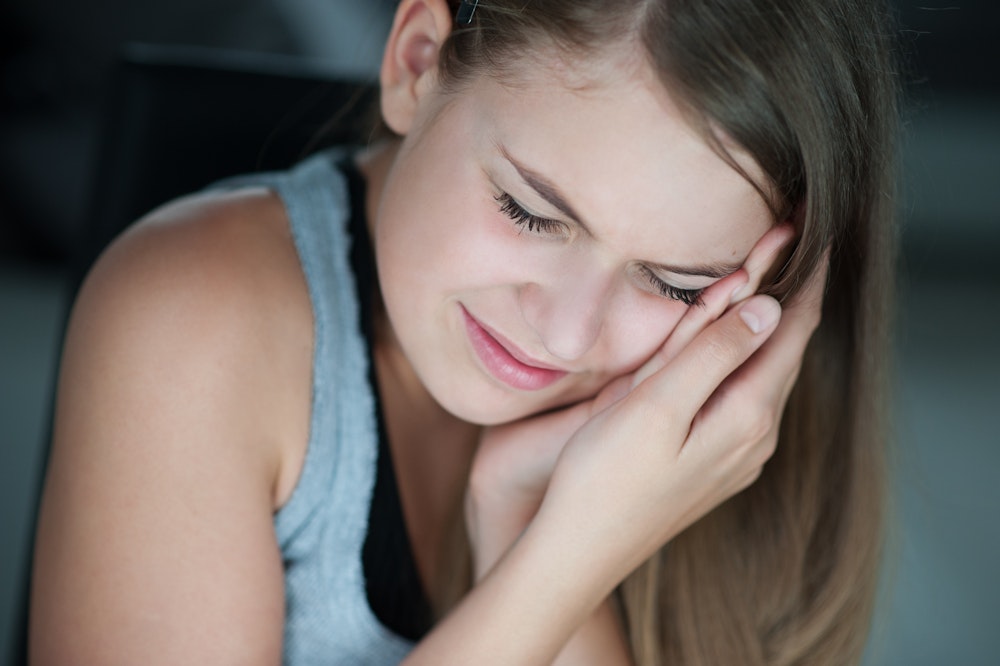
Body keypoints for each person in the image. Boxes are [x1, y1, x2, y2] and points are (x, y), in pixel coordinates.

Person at [28, 0, 900, 663]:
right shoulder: (193, 324)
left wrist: (520, 518)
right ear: (416, 64)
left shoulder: (718, 429)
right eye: (528, 211)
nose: (564, 334)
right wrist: (567, 557)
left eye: (676, 283)